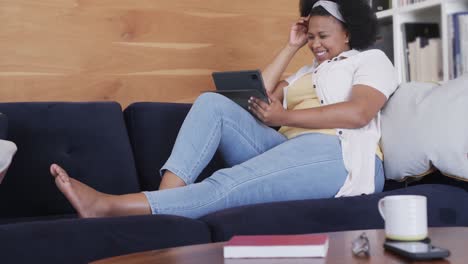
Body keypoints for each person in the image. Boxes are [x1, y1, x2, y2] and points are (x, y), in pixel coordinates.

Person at [50, 0, 398, 219]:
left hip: (339, 156)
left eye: (323, 36)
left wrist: (285, 117)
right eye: (311, 37)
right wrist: (290, 47)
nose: (316, 44)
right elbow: (255, 97)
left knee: (228, 183)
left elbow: (358, 113)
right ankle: (165, 201)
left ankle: (110, 206)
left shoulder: (370, 60)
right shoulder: (307, 72)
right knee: (213, 103)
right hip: (291, 150)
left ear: (349, 34)